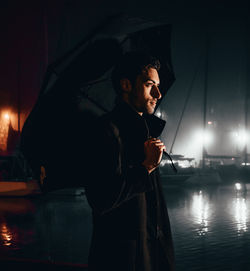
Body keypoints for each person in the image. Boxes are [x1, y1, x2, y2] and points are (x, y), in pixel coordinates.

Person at [84, 51, 175, 271]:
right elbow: (101, 199)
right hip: (121, 259)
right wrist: (147, 167)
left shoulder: (145, 133)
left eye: (158, 85)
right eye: (149, 84)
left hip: (150, 255)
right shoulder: (106, 130)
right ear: (126, 85)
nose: (158, 93)